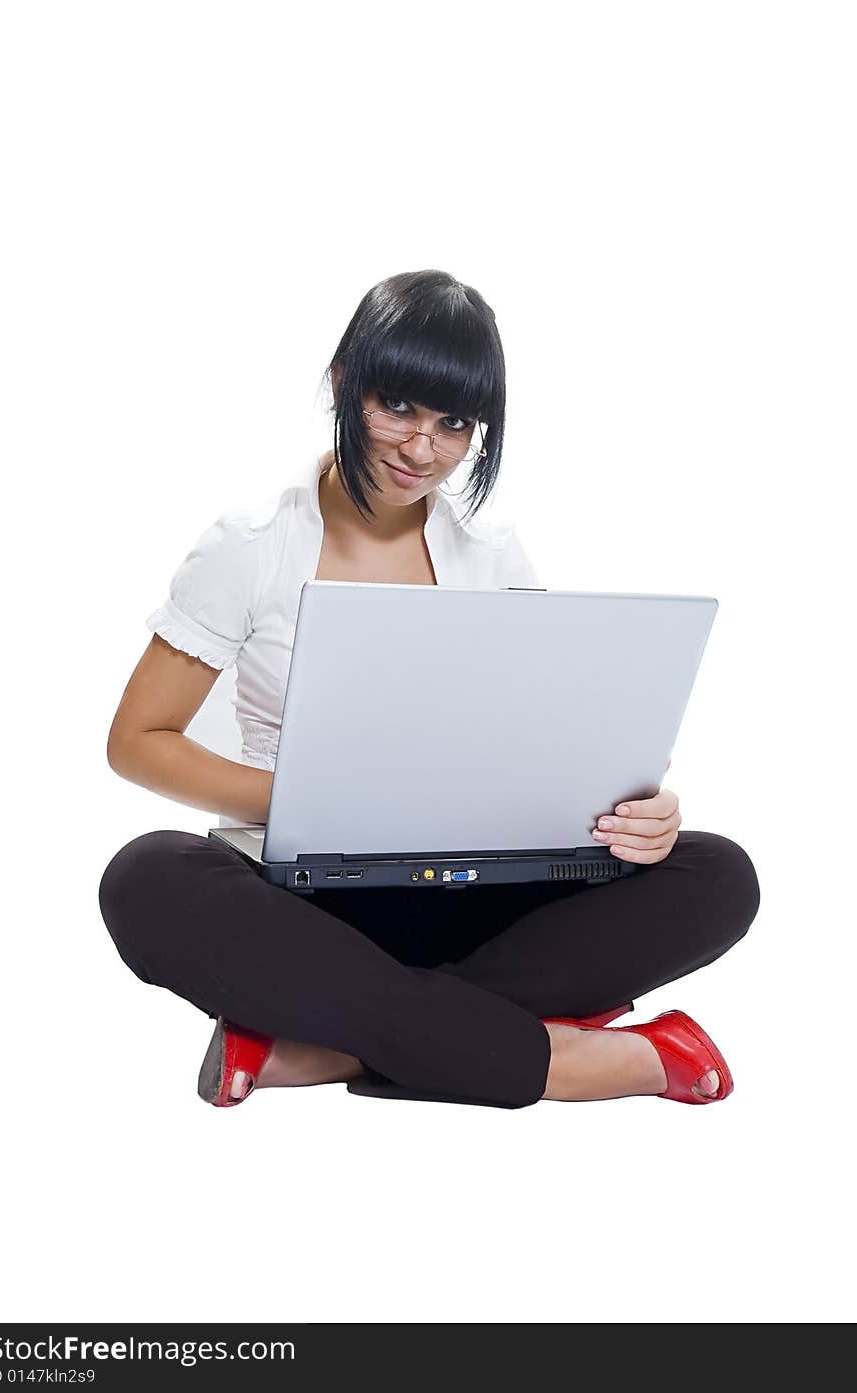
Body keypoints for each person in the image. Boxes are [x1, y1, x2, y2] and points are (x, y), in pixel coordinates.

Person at [98, 269, 760, 1111]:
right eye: (399, 407)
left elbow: (544, 735)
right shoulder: (251, 547)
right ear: (344, 381)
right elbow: (137, 740)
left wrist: (638, 809)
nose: (423, 448)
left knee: (717, 871)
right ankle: (579, 1059)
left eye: (455, 423)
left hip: (476, 890)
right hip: (310, 903)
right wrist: (303, 801)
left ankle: (331, 1046)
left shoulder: (491, 553)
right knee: (144, 874)